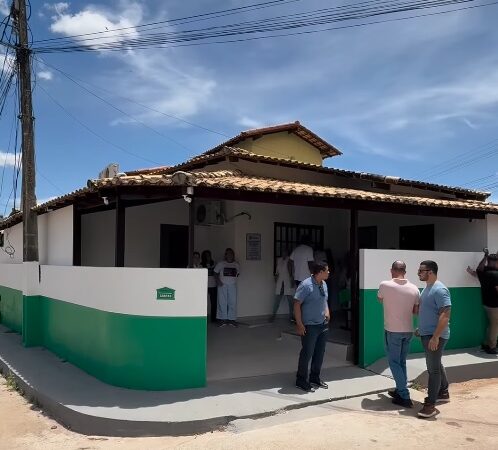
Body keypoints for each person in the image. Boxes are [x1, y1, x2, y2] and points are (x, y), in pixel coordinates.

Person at [377, 261, 420, 408]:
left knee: (394, 363)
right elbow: (415, 311)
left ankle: (404, 395)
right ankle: (399, 389)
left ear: (392, 271)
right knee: (401, 362)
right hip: (408, 330)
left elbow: (380, 299)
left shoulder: (385, 285)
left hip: (393, 330)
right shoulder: (415, 288)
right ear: (405, 271)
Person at [417, 260, 452, 419]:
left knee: (433, 370)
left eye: (421, 271)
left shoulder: (440, 289)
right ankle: (443, 391)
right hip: (428, 334)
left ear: (430, 272)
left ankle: (430, 404)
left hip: (435, 336)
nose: (418, 273)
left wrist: (435, 336)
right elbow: (429, 312)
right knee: (436, 363)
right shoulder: (428, 288)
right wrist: (422, 329)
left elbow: (445, 315)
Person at [294, 262, 331, 392]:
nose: (329, 273)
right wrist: (299, 324)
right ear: (320, 272)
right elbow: (297, 304)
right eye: (327, 271)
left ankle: (315, 377)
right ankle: (301, 380)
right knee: (307, 353)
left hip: (322, 325)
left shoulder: (324, 284)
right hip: (310, 326)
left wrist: (327, 312)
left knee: (319, 353)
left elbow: (324, 300)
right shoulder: (306, 285)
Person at [471, 250, 498, 355]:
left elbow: (479, 268)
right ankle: (491, 346)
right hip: (495, 305)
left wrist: (485, 256)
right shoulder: (496, 275)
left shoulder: (483, 272)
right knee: (494, 326)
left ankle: (487, 343)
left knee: (492, 325)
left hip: (487, 303)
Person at [214, 248, 240, 328]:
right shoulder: (221, 263)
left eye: (231, 253)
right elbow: (215, 272)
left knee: (232, 302)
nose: (230, 255)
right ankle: (223, 320)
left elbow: (238, 274)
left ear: (233, 255)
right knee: (222, 302)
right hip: (222, 285)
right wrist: (218, 281)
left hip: (232, 285)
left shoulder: (236, 264)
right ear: (225, 255)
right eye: (228, 253)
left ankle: (232, 320)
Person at [271, 248, 295, 322]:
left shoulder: (290, 260)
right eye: (283, 251)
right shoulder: (279, 260)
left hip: (288, 282)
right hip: (280, 283)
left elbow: (292, 271)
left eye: (285, 252)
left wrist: (292, 281)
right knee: (277, 301)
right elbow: (277, 272)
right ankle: (273, 316)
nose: (284, 253)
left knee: (290, 302)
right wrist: (275, 279)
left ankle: (291, 317)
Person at [201, 250, 218, 324]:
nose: (208, 256)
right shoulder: (201, 264)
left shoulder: (214, 263)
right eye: (206, 255)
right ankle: (202, 318)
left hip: (213, 285)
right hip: (204, 285)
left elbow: (217, 273)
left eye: (209, 255)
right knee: (202, 302)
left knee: (214, 303)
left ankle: (213, 318)